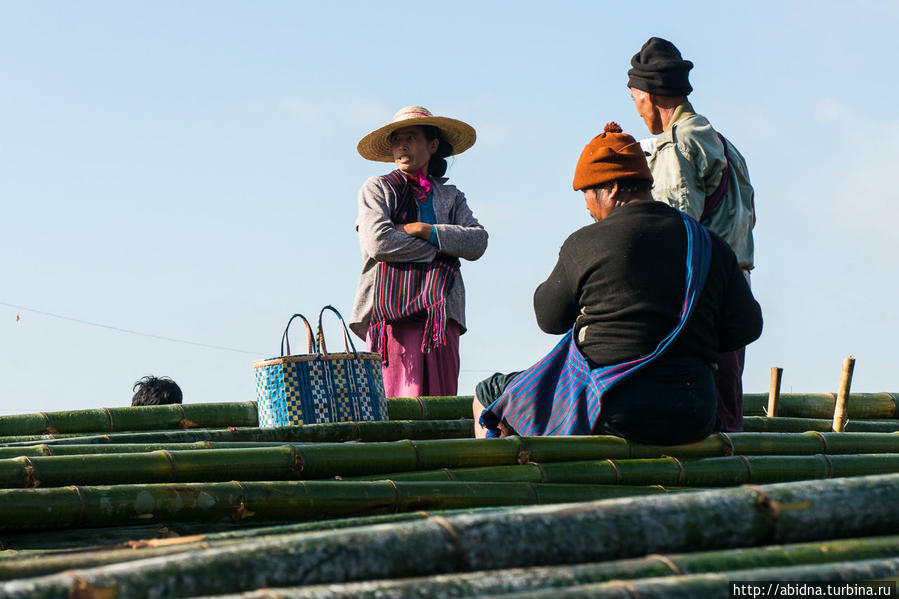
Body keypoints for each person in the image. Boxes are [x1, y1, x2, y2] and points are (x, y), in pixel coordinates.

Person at [474, 123, 762, 445]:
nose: (586, 205)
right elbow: (747, 327)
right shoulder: (709, 244)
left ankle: (517, 491)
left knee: (487, 395)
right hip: (694, 413)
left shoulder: (585, 244)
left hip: (615, 409)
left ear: (611, 187)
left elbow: (550, 319)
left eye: (587, 192)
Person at [628, 37, 757, 432]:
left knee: (702, 421)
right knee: (728, 413)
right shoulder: (725, 145)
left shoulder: (677, 144)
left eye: (635, 97)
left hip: (700, 302)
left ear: (649, 96)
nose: (636, 108)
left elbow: (674, 231)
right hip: (735, 293)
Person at [350, 106, 488, 398]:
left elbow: (477, 242)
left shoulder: (451, 196)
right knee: (395, 403)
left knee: (439, 402)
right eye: (397, 139)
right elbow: (378, 243)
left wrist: (422, 229)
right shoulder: (377, 189)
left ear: (433, 145)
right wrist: (443, 249)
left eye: (411, 137)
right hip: (391, 317)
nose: (402, 145)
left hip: (440, 315)